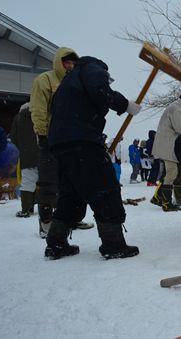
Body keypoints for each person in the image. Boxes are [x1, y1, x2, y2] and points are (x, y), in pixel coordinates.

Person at [44, 55, 141, 260]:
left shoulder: (67, 82)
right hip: (82, 140)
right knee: (105, 188)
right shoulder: (91, 69)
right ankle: (113, 244)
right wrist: (125, 105)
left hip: (61, 143)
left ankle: (56, 241)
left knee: (71, 193)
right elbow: (100, 91)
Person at [30, 46, 93, 237]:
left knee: (72, 181)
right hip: (51, 138)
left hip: (71, 139)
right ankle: (46, 221)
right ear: (59, 62)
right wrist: (42, 134)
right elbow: (38, 109)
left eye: (73, 62)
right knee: (49, 181)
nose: (70, 66)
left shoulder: (77, 82)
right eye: (66, 62)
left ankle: (71, 217)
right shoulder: (45, 80)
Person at [151, 94, 181, 211]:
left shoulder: (176, 107)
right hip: (168, 145)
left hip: (168, 144)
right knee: (171, 173)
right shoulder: (176, 108)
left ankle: (158, 198)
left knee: (171, 173)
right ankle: (166, 203)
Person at [9, 102, 39, 217]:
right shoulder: (42, 114)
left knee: (27, 182)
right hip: (44, 153)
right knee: (47, 182)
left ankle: (26, 209)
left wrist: (23, 146)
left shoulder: (19, 118)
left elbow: (13, 137)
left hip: (27, 155)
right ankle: (51, 209)